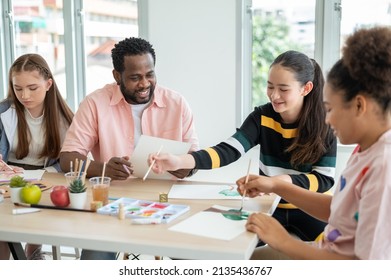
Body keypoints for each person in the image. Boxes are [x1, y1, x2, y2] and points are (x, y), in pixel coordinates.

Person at [150, 50, 337, 244]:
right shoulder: (262, 117)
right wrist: (179, 160)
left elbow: (324, 179)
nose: (274, 95)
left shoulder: (326, 122)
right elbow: (227, 151)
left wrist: (279, 182)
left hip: (311, 208)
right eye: (270, 86)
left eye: (283, 89)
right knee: (230, 247)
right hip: (269, 206)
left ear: (305, 88)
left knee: (334, 256)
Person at [239, 26, 391, 259]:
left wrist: (283, 241)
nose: (327, 119)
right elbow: (339, 211)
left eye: (330, 109)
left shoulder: (383, 166)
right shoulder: (367, 150)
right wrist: (276, 186)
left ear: (359, 106)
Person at [59, 37, 199, 259]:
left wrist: (186, 167)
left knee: (194, 257)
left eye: (149, 75)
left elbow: (194, 157)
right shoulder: (95, 103)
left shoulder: (177, 103)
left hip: (167, 200)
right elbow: (67, 159)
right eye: (135, 77)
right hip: (113, 202)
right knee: (93, 262)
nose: (144, 84)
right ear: (117, 76)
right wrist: (103, 169)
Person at [0, 53, 74, 260]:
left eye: (33, 88)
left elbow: (67, 163)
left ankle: (33, 251)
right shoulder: (4, 112)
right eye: (18, 88)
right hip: (9, 177)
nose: (25, 96)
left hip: (46, 176)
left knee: (43, 206)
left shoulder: (65, 118)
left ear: (48, 84)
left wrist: (43, 174)